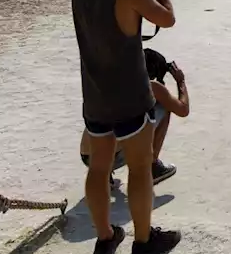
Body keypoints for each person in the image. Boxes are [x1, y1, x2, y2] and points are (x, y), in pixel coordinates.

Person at [71, 0, 182, 254]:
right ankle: (144, 242)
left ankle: (105, 238)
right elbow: (167, 18)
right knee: (138, 169)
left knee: (99, 169)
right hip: (130, 98)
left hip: (95, 97)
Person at [78, 54, 190, 187]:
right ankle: (152, 167)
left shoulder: (114, 81)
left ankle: (104, 173)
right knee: (164, 107)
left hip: (89, 155)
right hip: (115, 156)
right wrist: (180, 81)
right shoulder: (150, 86)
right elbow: (183, 110)